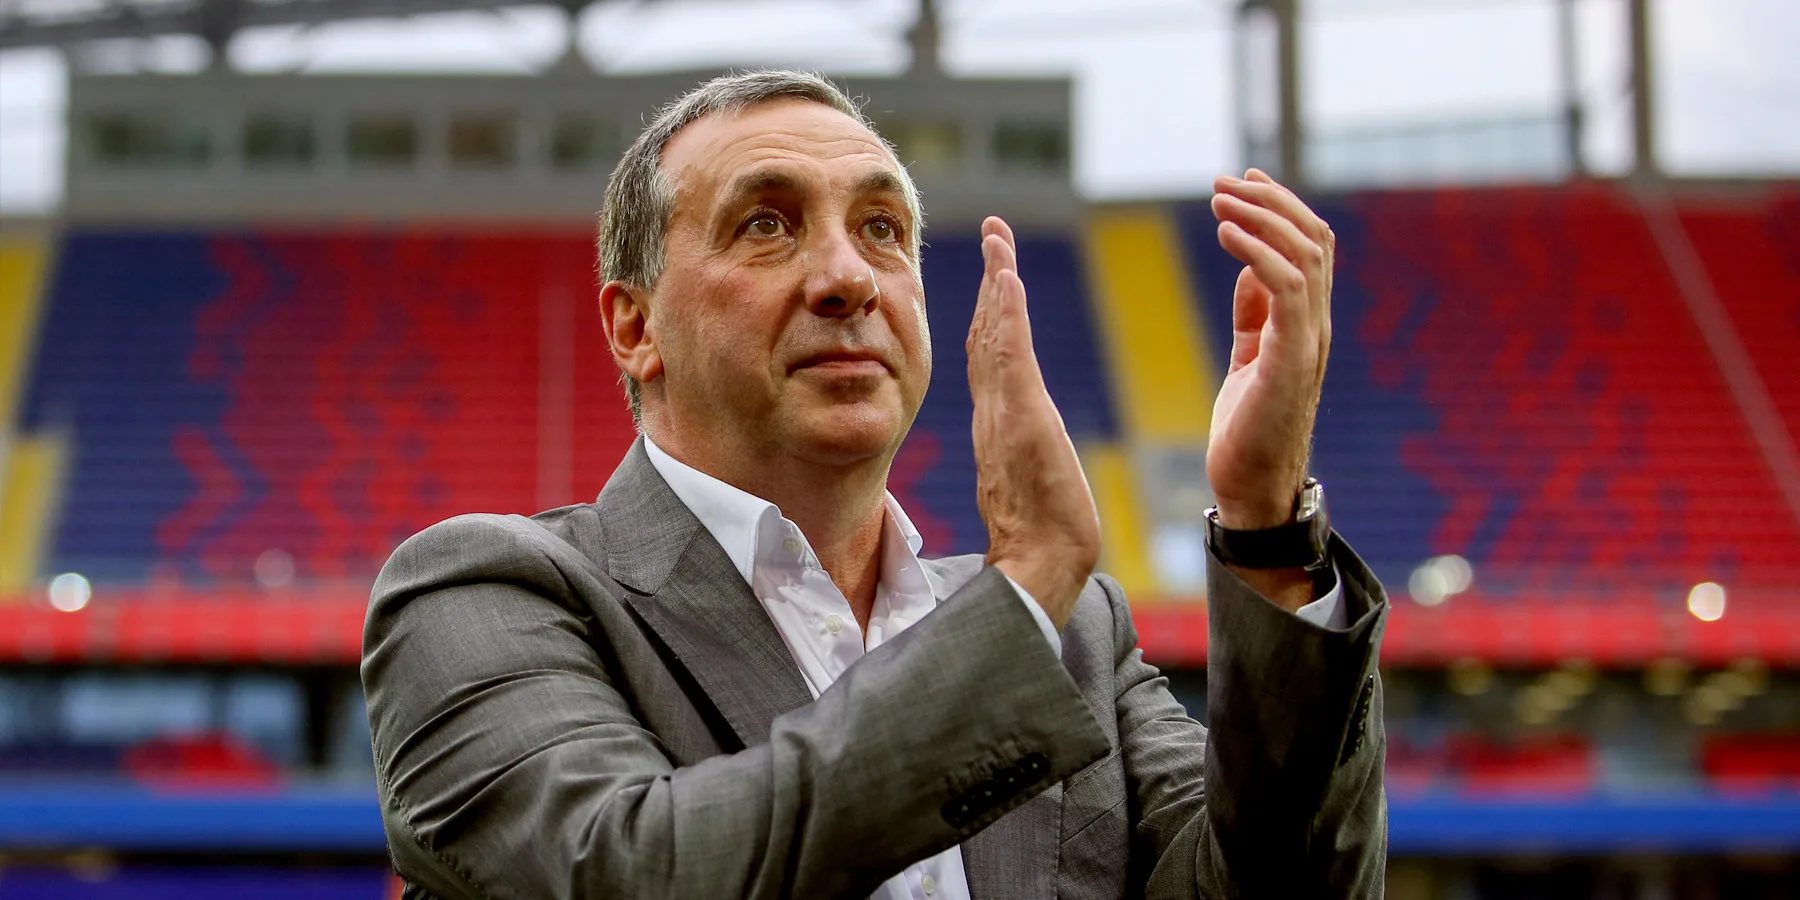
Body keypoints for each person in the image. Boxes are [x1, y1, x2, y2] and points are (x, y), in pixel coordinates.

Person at [363, 69, 1388, 899]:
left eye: (883, 229)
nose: (848, 276)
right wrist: (1023, 595)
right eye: (767, 224)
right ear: (635, 326)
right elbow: (632, 872)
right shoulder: (484, 592)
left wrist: (1264, 530)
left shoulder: (1080, 636)